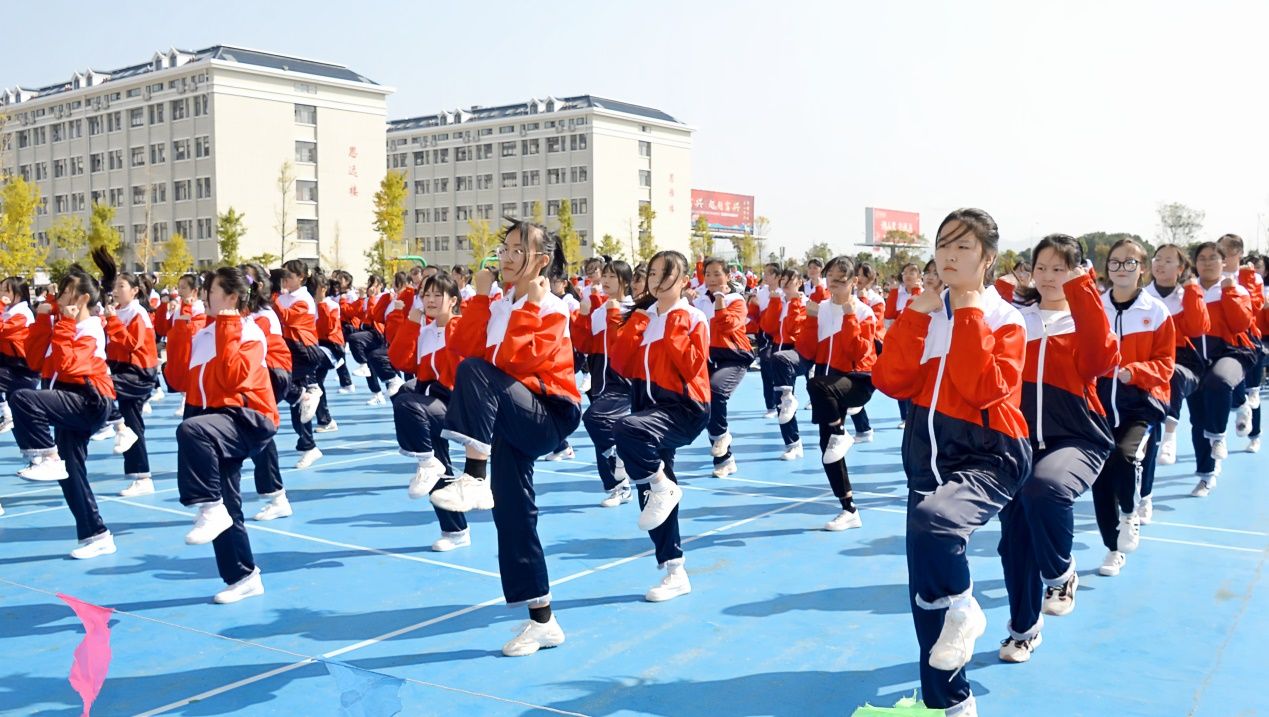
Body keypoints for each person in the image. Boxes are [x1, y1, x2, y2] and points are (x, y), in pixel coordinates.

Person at [873, 208, 1030, 717]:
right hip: (926, 462)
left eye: (963, 246)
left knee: (935, 523)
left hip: (991, 454)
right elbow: (890, 380)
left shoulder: (1006, 319)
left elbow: (983, 388)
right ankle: (952, 705)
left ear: (988, 258)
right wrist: (918, 314)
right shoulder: (924, 311)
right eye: (943, 244)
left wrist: (966, 312)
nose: (950, 255)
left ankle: (968, 606)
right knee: (926, 596)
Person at [427, 218, 582, 657]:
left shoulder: (552, 307)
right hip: (509, 417)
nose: (507, 257)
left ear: (542, 261)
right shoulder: (496, 305)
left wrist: (530, 307)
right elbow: (465, 349)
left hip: (547, 414)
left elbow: (516, 361)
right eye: (505, 249)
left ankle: (475, 474)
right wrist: (479, 298)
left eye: (518, 250)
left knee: (477, 372)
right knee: (513, 516)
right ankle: (543, 621)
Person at [992, 234, 1117, 662]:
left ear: (1079, 273)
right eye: (1040, 267)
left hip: (1077, 438)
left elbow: (1101, 361)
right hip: (1018, 443)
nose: (1048, 277)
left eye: (1059, 269)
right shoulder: (1014, 315)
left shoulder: (1085, 318)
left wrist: (1082, 293)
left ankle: (1062, 574)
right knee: (1015, 542)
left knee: (1044, 487)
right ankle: (1023, 630)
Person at [174, 266, 280, 603]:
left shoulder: (249, 332)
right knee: (225, 498)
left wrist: (229, 326)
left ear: (231, 297)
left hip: (247, 417)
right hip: (210, 417)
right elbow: (177, 378)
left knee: (192, 433)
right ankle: (244, 576)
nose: (204, 295)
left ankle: (210, 507)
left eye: (212, 290)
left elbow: (235, 379)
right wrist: (180, 324)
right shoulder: (204, 333)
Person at [611, 250, 710, 602]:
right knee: (650, 494)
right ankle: (675, 570)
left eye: (666, 273)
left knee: (627, 432)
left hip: (684, 407)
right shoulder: (643, 316)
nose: (657, 279)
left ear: (684, 280)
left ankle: (660, 482)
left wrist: (670, 324)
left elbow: (691, 365)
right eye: (652, 272)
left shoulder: (694, 317)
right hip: (647, 409)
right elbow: (622, 364)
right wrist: (638, 322)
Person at [11, 269, 119, 559]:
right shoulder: (64, 326)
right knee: (70, 472)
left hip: (89, 401)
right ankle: (97, 535)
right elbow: (33, 361)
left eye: (64, 291)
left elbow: (70, 366)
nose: (57, 296)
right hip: (69, 400)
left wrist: (65, 325)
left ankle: (46, 455)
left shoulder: (90, 328)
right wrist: (45, 321)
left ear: (81, 298)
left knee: (22, 398)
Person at [1092, 238, 1174, 578]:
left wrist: (1133, 372)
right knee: (1098, 476)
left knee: (1125, 456)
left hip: (1140, 404)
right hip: (1098, 406)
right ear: (1106, 268)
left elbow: (1166, 364)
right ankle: (1112, 548)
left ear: (1141, 270)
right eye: (1115, 262)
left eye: (1129, 263)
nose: (1121, 269)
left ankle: (1130, 513)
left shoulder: (1156, 311)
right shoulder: (1096, 308)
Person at [387, 272, 472, 551]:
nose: (431, 300)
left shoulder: (460, 328)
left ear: (453, 300)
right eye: (427, 294)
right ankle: (455, 531)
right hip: (431, 402)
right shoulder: (424, 330)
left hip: (457, 404)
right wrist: (411, 323)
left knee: (405, 402)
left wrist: (446, 325)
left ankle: (425, 461)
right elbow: (400, 359)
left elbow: (458, 370)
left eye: (438, 295)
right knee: (439, 463)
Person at [798, 254, 878, 531]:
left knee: (816, 385)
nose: (834, 286)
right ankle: (849, 508)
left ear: (854, 281)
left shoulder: (864, 312)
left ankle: (842, 432)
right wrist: (809, 319)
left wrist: (850, 316)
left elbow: (858, 353)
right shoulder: (819, 308)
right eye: (830, 279)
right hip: (824, 386)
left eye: (841, 281)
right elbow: (807, 351)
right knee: (828, 450)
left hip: (855, 382)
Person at [1187, 241, 1254, 497]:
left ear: (1223, 261)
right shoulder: (1187, 292)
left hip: (1231, 353)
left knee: (1219, 380)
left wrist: (1228, 292)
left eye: (1213, 257)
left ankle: (1219, 434)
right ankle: (1206, 475)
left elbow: (1240, 324)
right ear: (1195, 263)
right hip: (1196, 359)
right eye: (1201, 258)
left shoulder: (1236, 289)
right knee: (1197, 420)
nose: (1207, 262)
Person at [577, 259, 636, 505]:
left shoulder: (633, 309)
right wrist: (582, 317)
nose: (606, 281)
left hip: (623, 380)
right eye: (606, 276)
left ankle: (621, 459)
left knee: (593, 419)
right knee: (603, 431)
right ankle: (617, 486)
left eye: (612, 277)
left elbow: (620, 344)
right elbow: (584, 345)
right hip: (601, 378)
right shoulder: (600, 309)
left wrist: (612, 311)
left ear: (624, 281)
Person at [692, 257, 754, 478]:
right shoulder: (699, 301)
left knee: (716, 390)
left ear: (728, 276)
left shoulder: (736, 300)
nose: (712, 278)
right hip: (708, 357)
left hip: (734, 356)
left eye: (717, 274)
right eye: (708, 274)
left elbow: (727, 324)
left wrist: (719, 299)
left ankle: (721, 438)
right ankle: (724, 459)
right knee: (704, 403)